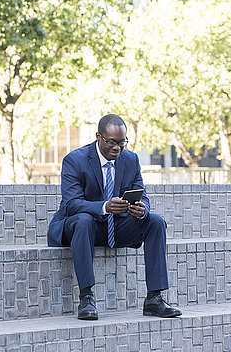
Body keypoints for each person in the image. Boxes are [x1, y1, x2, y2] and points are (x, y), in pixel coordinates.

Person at [47, 114, 181, 320]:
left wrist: (142, 208)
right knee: (84, 220)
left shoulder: (130, 159)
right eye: (111, 142)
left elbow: (141, 193)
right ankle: (86, 297)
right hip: (79, 227)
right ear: (98, 137)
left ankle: (154, 298)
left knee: (155, 221)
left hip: (114, 227)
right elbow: (71, 204)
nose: (117, 148)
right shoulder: (75, 160)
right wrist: (105, 206)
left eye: (121, 143)